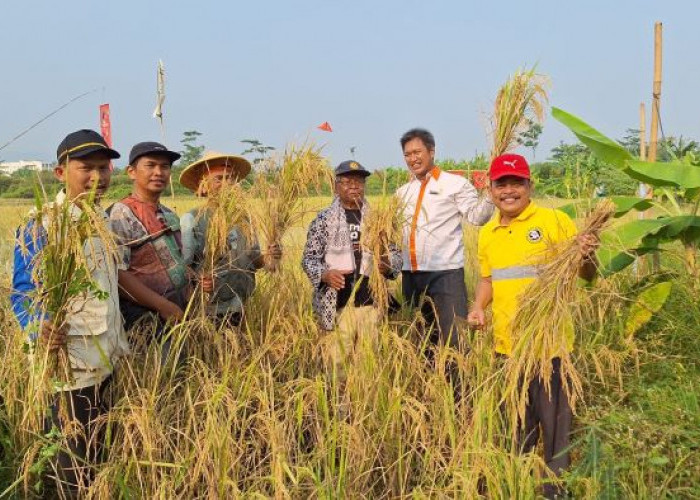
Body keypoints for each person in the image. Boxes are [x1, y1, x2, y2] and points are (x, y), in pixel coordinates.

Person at [467, 153, 598, 499]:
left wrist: (586, 256)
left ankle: (554, 493)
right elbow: (487, 280)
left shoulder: (555, 221)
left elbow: (586, 275)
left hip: (550, 350)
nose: (509, 191)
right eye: (501, 184)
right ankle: (518, 488)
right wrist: (478, 307)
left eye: (516, 183)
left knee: (556, 438)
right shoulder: (487, 233)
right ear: (491, 190)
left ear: (529, 186)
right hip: (508, 351)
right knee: (516, 434)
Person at [11, 129, 129, 493]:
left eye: (104, 168)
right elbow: (22, 291)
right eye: (86, 168)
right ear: (61, 172)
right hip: (70, 364)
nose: (98, 177)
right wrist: (38, 327)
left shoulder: (102, 220)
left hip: (107, 356)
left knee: (97, 449)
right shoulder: (40, 224)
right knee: (71, 461)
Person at [302, 160, 402, 381]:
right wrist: (325, 275)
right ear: (337, 187)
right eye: (347, 182)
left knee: (368, 362)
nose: (354, 186)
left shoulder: (378, 219)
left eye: (359, 182)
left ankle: (364, 406)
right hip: (337, 305)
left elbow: (396, 255)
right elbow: (308, 259)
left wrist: (387, 264)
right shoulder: (323, 220)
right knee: (336, 363)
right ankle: (338, 409)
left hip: (370, 304)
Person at [396, 128, 494, 350]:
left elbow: (477, 217)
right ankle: (428, 383)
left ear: (431, 152)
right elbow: (396, 233)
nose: (413, 158)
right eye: (407, 154)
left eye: (417, 152)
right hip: (410, 275)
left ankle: (458, 385)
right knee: (420, 341)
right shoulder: (402, 193)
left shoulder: (454, 184)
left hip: (445, 275)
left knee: (455, 340)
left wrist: (490, 193)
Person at [179, 151, 282, 327]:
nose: (227, 184)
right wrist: (199, 279)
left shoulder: (244, 218)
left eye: (231, 178)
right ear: (203, 186)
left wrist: (270, 255)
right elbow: (183, 266)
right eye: (219, 179)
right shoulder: (192, 219)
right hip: (210, 308)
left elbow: (254, 259)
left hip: (242, 303)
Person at [108, 142, 187, 356]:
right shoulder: (121, 214)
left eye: (165, 167)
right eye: (150, 165)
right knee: (156, 377)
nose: (158, 172)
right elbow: (118, 274)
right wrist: (162, 305)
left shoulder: (169, 213)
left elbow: (178, 259)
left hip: (175, 311)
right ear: (131, 172)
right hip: (145, 316)